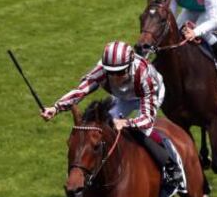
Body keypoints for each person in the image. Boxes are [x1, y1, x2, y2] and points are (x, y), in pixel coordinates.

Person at [40, 41, 183, 186]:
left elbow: (146, 120)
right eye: (111, 72)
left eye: (120, 72)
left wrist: (126, 122)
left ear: (129, 65)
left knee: (142, 131)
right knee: (104, 127)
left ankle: (171, 164)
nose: (115, 77)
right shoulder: (102, 70)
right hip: (123, 96)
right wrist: (55, 108)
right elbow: (81, 91)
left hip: (148, 94)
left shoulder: (144, 75)